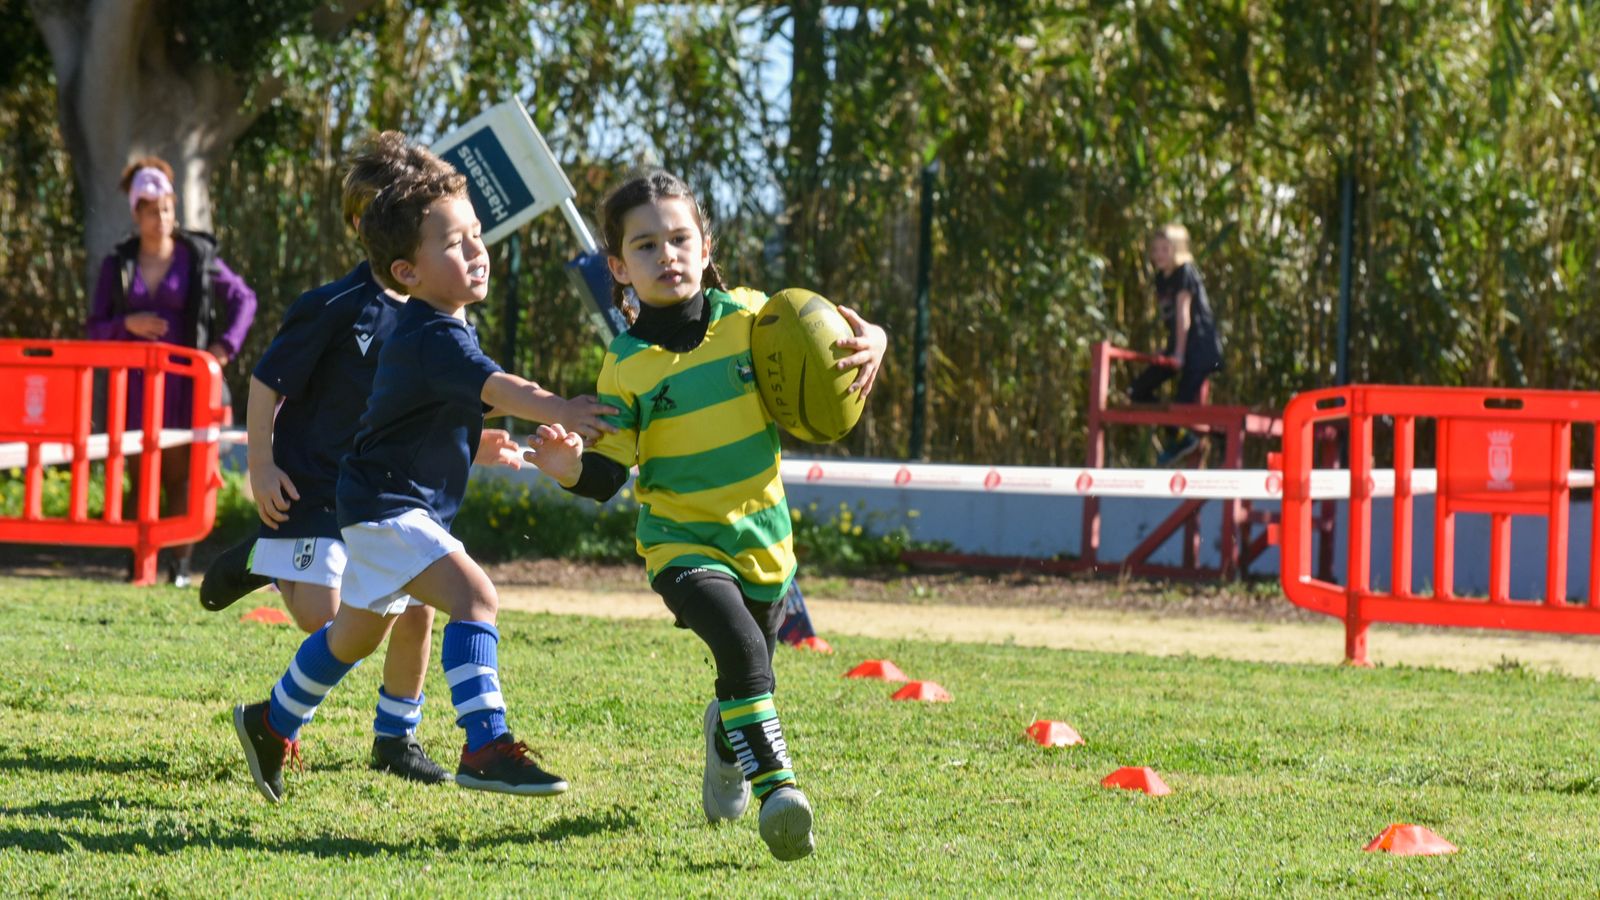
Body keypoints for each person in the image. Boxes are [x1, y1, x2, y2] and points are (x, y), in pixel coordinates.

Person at [523, 168, 886, 862]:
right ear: (618, 268)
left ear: (706, 242)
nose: (668, 256)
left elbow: (852, 333)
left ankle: (726, 740)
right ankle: (781, 792)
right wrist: (566, 465)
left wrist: (879, 343)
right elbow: (605, 476)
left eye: (680, 238)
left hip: (765, 544)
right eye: (646, 246)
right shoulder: (625, 365)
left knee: (753, 671)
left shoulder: (759, 317)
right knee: (742, 650)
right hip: (680, 544)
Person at [231, 157, 616, 803]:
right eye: (453, 241)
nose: (475, 250)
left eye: (475, 234)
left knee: (354, 634)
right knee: (475, 598)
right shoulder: (434, 333)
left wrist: (477, 445)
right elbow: (498, 386)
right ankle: (486, 744)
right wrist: (562, 408)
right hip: (388, 507)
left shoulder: (437, 328)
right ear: (407, 271)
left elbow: (440, 408)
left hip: (381, 504)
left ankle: (270, 722)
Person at [86, 156, 258, 586]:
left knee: (182, 475)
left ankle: (179, 568)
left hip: (185, 387)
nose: (160, 218)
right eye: (150, 209)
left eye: (166, 207)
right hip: (135, 389)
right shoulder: (118, 264)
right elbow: (93, 328)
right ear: (136, 214)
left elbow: (244, 300)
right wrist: (127, 324)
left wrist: (222, 349)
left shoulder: (197, 256)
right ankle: (137, 563)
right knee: (140, 474)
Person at [1128, 223, 1223, 465]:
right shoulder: (1161, 278)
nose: (1158, 255)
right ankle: (1184, 437)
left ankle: (1217, 437)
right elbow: (1170, 319)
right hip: (1180, 346)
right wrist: (1168, 348)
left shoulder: (1185, 272)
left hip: (1200, 349)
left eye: (1164, 249)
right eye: (1155, 249)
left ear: (1177, 250)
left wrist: (1178, 354)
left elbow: (1184, 316)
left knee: (1182, 406)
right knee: (1137, 391)